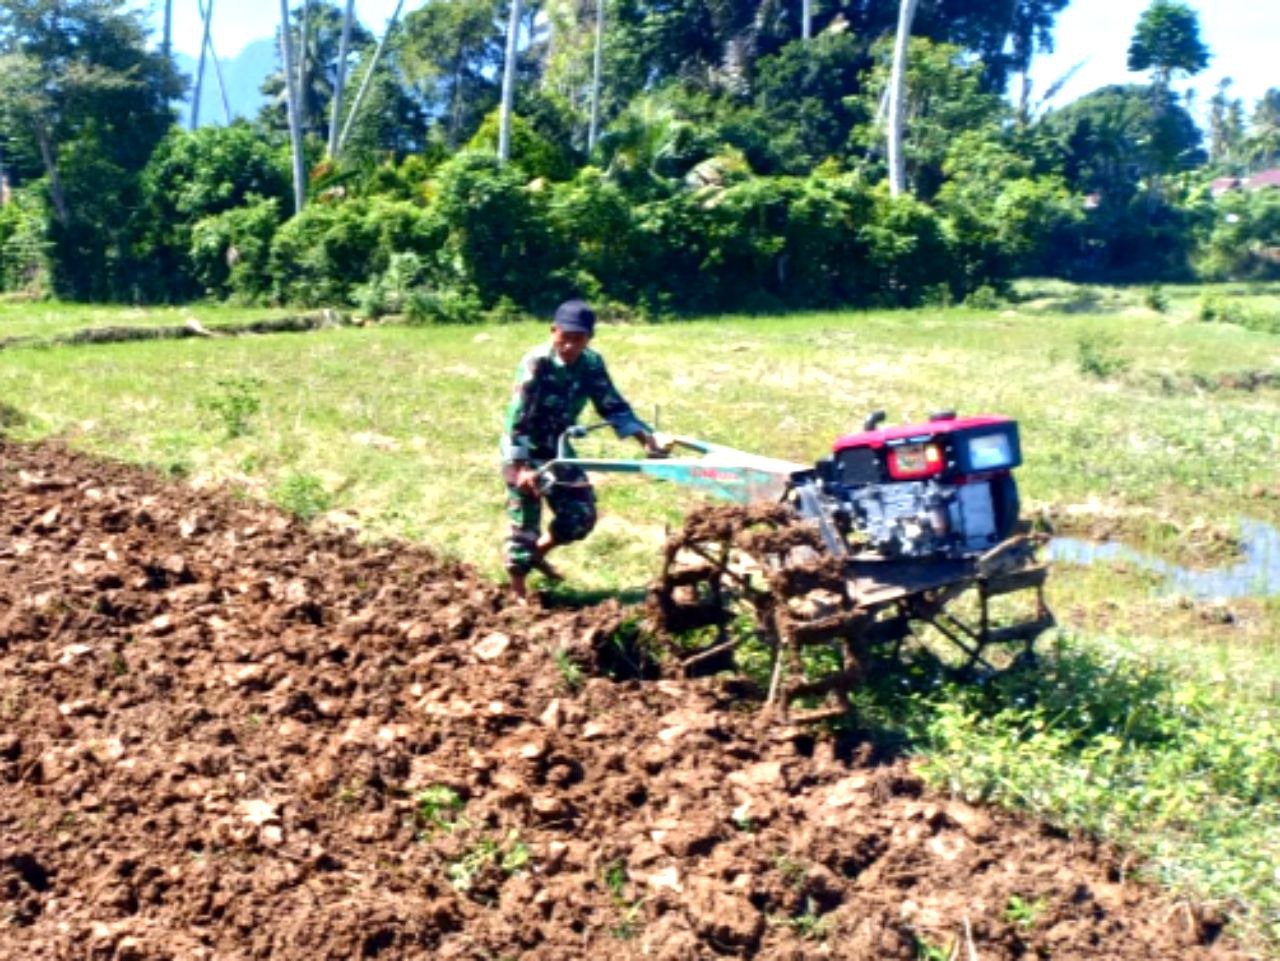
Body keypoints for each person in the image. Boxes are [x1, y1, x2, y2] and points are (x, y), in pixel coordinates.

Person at [500, 299, 666, 603]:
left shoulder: (591, 363)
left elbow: (612, 404)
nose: (569, 346)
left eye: (578, 340)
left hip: (558, 449)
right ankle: (518, 594)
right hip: (524, 451)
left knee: (580, 516)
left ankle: (538, 554)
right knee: (525, 522)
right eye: (564, 338)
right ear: (553, 331)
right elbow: (517, 417)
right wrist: (521, 466)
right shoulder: (537, 362)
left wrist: (647, 440)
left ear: (589, 338)